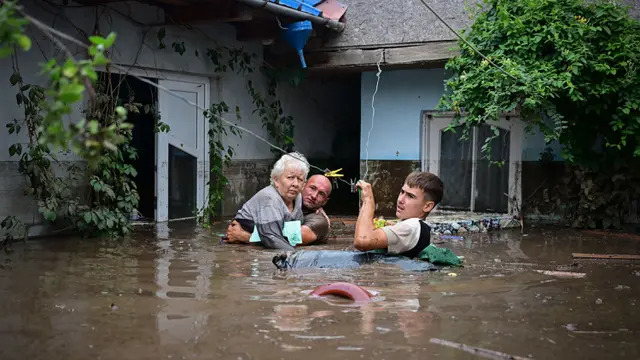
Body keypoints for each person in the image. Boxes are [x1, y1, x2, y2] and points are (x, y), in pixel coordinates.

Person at [227, 152, 309, 250]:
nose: (295, 184)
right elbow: (272, 239)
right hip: (239, 250)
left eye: (300, 179)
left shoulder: (298, 197)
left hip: (254, 242)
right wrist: (299, 258)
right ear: (276, 180)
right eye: (290, 177)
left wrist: (247, 237)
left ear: (304, 184)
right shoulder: (269, 197)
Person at [353, 171, 444, 258]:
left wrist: (368, 200)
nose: (401, 199)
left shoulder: (411, 226)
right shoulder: (418, 227)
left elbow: (362, 240)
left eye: (410, 196)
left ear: (427, 206)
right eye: (402, 192)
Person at [225, 174, 333, 246]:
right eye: (312, 188)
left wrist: (244, 236)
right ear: (303, 186)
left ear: (325, 201)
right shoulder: (285, 201)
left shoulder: (319, 221)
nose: (314, 196)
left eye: (321, 194)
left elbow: (289, 240)